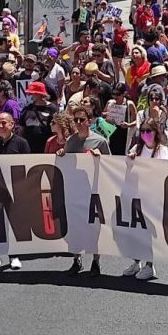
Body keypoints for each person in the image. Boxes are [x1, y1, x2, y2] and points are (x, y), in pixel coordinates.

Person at [57, 102, 110, 276]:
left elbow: (110, 165)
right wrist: (61, 154)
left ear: (89, 121)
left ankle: (95, 261)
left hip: (93, 190)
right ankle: (76, 259)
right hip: (75, 190)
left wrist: (99, 157)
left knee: (94, 228)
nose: (79, 123)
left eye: (82, 119)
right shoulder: (71, 141)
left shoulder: (100, 141)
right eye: (76, 120)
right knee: (75, 226)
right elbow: (65, 162)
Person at [0, 111, 30, 272]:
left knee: (13, 223)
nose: (1, 126)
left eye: (4, 123)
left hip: (14, 190)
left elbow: (28, 165)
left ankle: (14, 256)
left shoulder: (21, 143)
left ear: (12, 124)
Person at [124, 118, 168, 281]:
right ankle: (136, 262)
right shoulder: (137, 148)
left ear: (155, 132)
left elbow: (165, 171)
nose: (145, 134)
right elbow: (126, 168)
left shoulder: (161, 151)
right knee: (136, 231)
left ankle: (150, 266)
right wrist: (130, 159)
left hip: (153, 198)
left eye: (148, 131)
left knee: (149, 233)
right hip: (137, 196)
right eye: (142, 131)